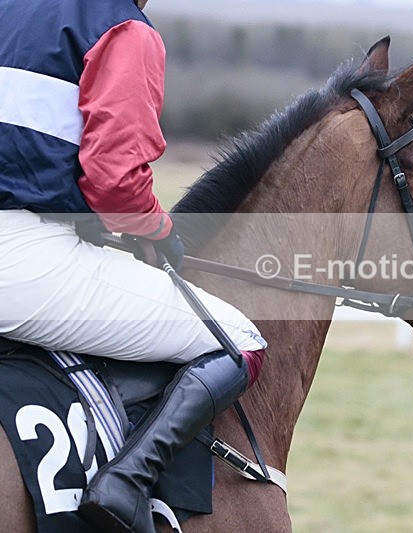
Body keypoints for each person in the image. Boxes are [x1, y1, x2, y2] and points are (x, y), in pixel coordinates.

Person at [0, 0, 267, 530]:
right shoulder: (122, 27)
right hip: (21, 259)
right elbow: (115, 181)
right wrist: (157, 231)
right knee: (239, 340)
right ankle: (125, 482)